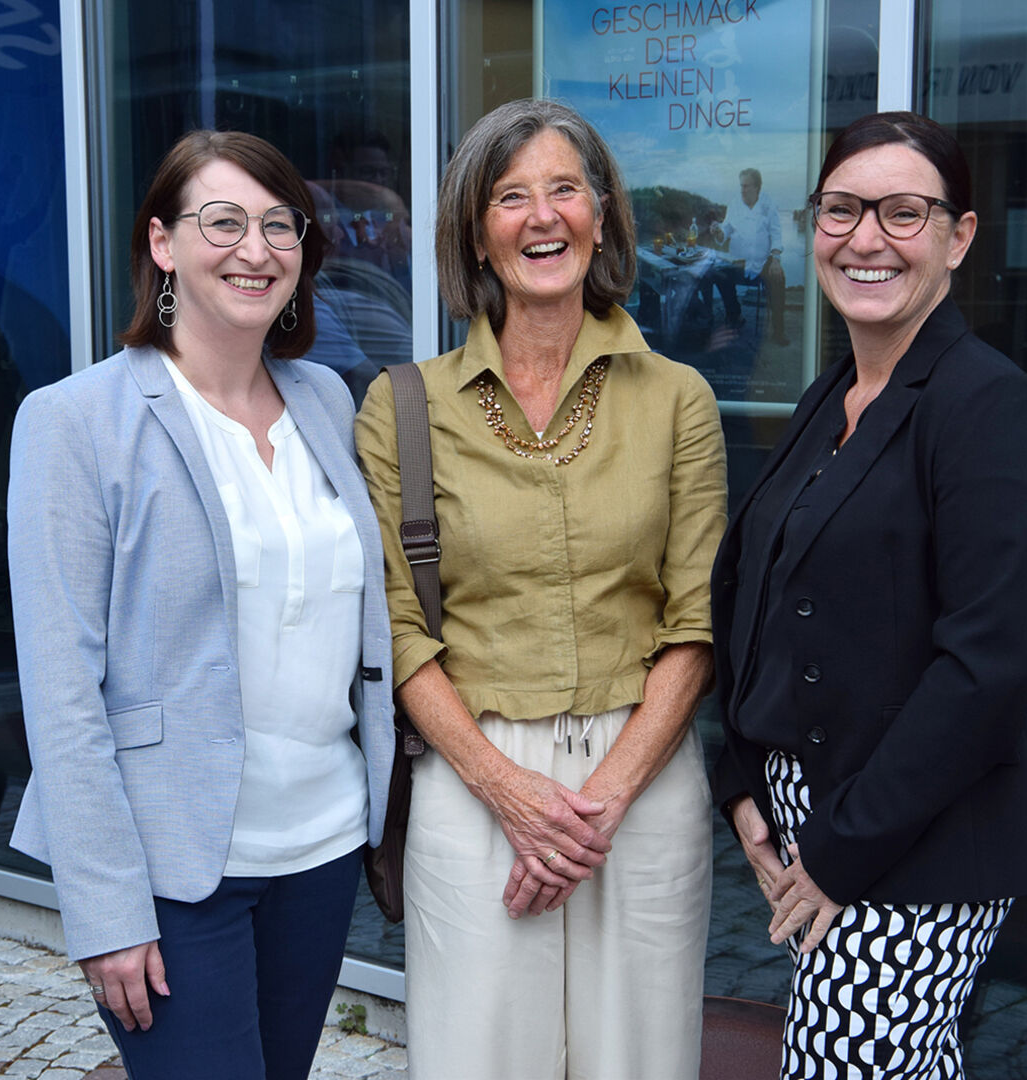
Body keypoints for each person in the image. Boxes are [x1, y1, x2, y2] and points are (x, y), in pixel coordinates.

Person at [6, 129, 395, 1080]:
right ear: (162, 242)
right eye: (222, 222)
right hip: (174, 865)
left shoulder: (326, 401)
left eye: (278, 225)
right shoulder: (74, 420)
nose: (254, 249)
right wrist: (106, 912)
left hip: (321, 846)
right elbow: (61, 691)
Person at [356, 99, 727, 1080]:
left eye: (565, 189)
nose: (542, 216)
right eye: (510, 197)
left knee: (639, 1062)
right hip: (471, 776)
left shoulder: (677, 399)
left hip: (640, 777)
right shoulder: (404, 407)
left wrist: (599, 803)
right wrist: (507, 791)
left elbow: (695, 621)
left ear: (600, 218)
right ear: (476, 234)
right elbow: (396, 627)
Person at [710, 111, 1027, 1077]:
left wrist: (839, 848)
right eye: (840, 210)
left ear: (958, 236)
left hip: (915, 835)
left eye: (902, 213)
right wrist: (741, 782)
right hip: (811, 818)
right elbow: (757, 600)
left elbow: (991, 666)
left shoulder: (988, 407)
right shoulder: (830, 395)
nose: (864, 239)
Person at [723, 168, 790, 344]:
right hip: (737, 262)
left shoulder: (768, 205)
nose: (742, 190)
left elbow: (776, 234)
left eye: (746, 186)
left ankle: (778, 330)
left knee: (778, 279)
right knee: (718, 275)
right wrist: (718, 232)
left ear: (757, 187)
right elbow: (725, 230)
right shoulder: (734, 204)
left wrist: (775, 260)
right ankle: (735, 316)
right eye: (741, 186)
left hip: (763, 263)